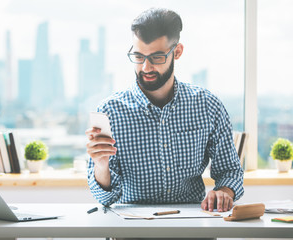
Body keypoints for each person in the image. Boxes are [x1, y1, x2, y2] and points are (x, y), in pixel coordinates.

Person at [85, 8, 244, 213]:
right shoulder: (110, 111)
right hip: (132, 226)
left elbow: (230, 171)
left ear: (177, 52)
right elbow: (105, 199)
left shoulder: (207, 106)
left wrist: (224, 191)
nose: (146, 67)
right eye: (138, 56)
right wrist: (100, 165)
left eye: (157, 57)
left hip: (192, 224)